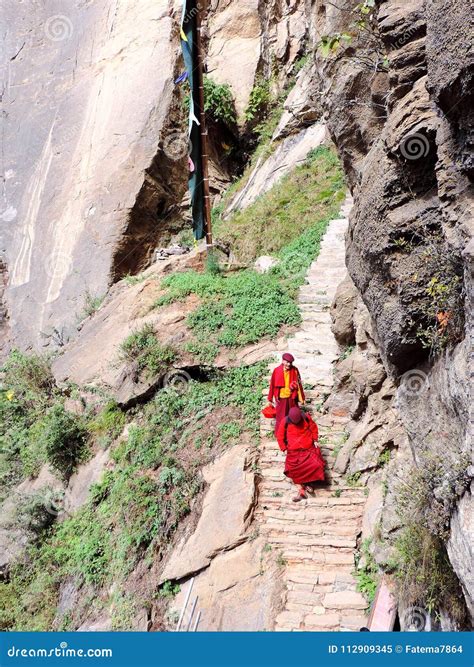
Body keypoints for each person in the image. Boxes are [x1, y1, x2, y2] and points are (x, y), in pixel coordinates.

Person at [276, 406, 325, 502]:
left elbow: (313, 427)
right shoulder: (285, 421)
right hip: (293, 451)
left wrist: (315, 439)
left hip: (308, 449)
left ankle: (309, 484)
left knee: (315, 465)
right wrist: (283, 448)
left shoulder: (306, 417)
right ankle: (301, 490)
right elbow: (280, 436)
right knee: (291, 469)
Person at [267, 353, 305, 434]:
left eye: (290, 362)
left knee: (294, 416)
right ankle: (280, 435)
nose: (289, 364)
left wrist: (302, 397)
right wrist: (270, 399)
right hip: (281, 398)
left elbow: (299, 384)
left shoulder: (294, 370)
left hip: (292, 397)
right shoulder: (277, 370)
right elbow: (272, 385)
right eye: (287, 362)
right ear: (283, 361)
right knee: (281, 417)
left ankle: (293, 434)